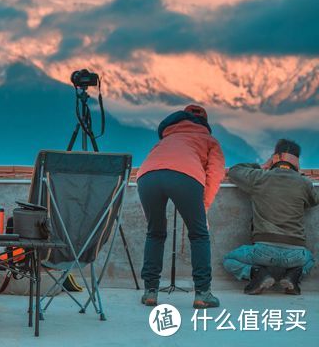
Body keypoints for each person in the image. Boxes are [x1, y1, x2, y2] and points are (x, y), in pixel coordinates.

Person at [136, 105, 225, 309]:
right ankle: (202, 294)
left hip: (147, 176)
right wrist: (203, 207)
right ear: (205, 123)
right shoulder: (209, 140)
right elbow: (215, 174)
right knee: (199, 235)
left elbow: (151, 166)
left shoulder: (166, 139)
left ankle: (150, 291)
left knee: (155, 233)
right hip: (185, 176)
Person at [223, 139, 318, 295]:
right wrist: (299, 177)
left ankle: (257, 274)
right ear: (297, 162)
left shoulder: (259, 177)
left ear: (275, 157)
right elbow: (314, 200)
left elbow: (234, 170)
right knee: (309, 259)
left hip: (263, 252)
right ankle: (292, 277)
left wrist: (262, 166)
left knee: (229, 260)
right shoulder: (304, 183)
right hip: (296, 254)